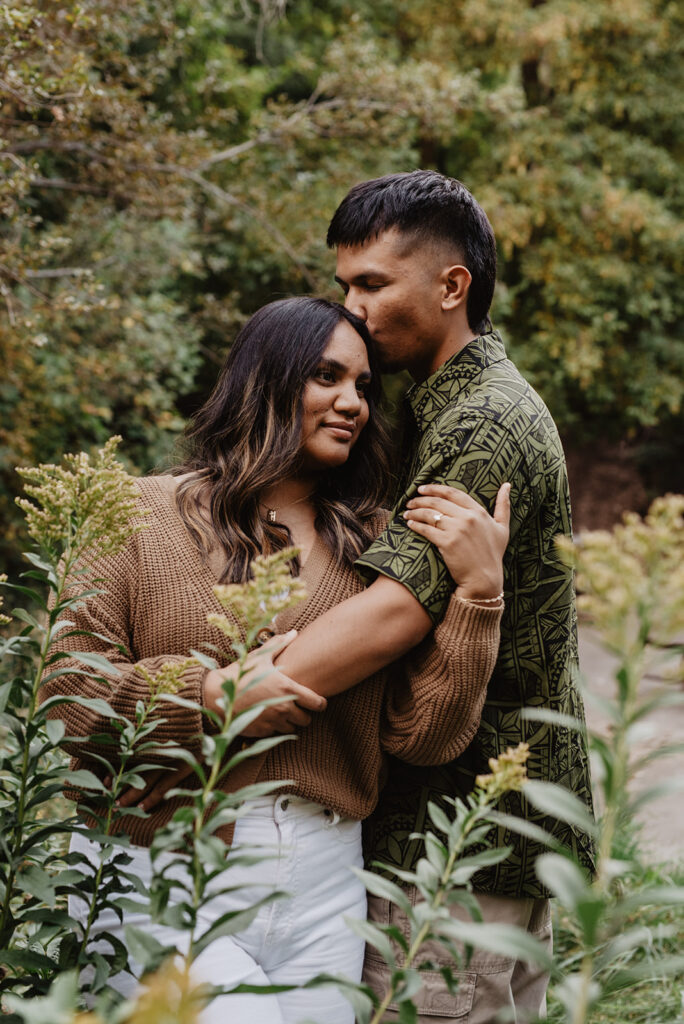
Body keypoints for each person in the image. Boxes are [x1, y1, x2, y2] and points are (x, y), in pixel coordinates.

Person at [42, 296, 509, 1024]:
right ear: (264, 377)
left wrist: (480, 596)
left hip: (325, 876)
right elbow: (66, 685)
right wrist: (207, 694)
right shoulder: (136, 514)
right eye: (326, 375)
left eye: (362, 386)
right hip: (162, 862)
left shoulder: (377, 549)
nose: (351, 402)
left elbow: (424, 734)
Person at [250, 171, 595, 1023]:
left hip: (463, 842)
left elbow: (397, 610)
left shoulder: (484, 421)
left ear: (451, 286)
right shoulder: (441, 409)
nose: (352, 307)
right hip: (476, 841)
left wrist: (229, 702)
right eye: (344, 286)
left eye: (371, 283)